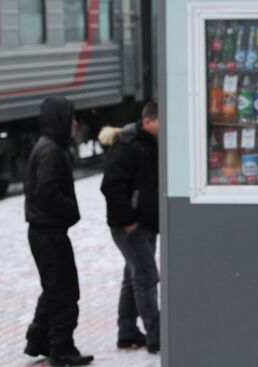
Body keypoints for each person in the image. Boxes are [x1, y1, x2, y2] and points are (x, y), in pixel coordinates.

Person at [23, 96, 94, 366]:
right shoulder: (51, 151)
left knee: (54, 287)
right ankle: (62, 349)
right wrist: (71, 210)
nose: (75, 123)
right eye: (71, 117)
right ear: (60, 119)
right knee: (64, 290)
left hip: (44, 231)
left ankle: (39, 340)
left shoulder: (47, 147)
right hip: (49, 232)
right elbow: (47, 191)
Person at [100, 100, 160, 354]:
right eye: (162, 122)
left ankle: (126, 331)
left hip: (144, 223)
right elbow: (110, 185)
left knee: (132, 276)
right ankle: (157, 335)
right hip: (131, 226)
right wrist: (128, 221)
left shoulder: (151, 143)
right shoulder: (128, 146)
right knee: (146, 277)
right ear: (147, 122)